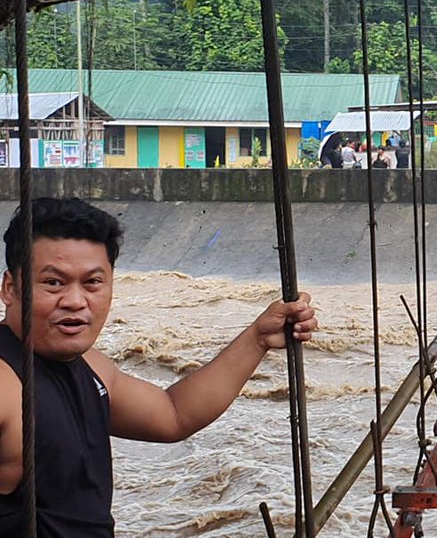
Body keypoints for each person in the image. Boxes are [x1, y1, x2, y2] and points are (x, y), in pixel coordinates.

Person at [0, 198, 318, 535]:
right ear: (10, 288)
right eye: (54, 283)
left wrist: (258, 339)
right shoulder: (6, 385)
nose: (76, 301)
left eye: (92, 283)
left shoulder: (91, 367)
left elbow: (174, 414)